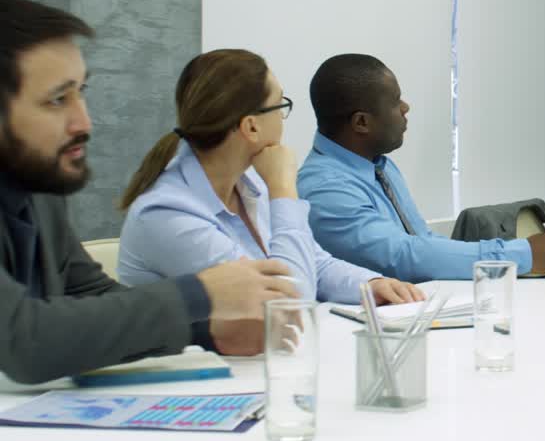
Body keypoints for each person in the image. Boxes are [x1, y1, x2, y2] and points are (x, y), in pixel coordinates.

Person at [0, 0, 298, 383]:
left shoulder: (36, 190)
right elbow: (26, 342)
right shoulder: (166, 208)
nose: (84, 121)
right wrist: (200, 295)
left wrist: (205, 333)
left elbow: (90, 295)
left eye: (81, 92)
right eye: (58, 99)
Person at [117, 49, 421, 354]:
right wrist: (283, 189)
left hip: (260, 361)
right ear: (251, 126)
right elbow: (287, 303)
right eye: (280, 105)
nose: (282, 118)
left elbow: (315, 262)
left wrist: (369, 284)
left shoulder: (246, 184)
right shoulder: (168, 214)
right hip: (190, 385)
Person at [297, 54, 545, 280]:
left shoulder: (379, 166)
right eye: (395, 101)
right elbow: (403, 257)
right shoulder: (325, 189)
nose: (406, 107)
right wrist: (518, 256)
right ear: (361, 123)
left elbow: (422, 240)